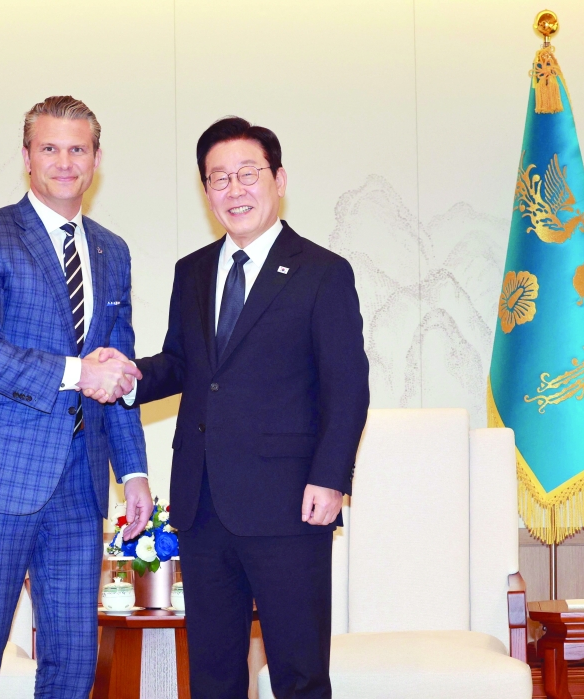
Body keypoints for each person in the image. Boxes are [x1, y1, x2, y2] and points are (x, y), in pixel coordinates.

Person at [100, 117, 370, 698]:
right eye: (218, 179)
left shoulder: (322, 273)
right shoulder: (192, 271)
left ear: (279, 179)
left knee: (298, 673)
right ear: (206, 192)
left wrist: (330, 479)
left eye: (248, 174)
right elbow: (180, 363)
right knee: (214, 675)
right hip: (202, 506)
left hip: (290, 504)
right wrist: (125, 378)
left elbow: (348, 386)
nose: (234, 190)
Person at [0, 95, 151, 699]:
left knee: (73, 665)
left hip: (80, 488)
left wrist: (132, 472)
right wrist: (76, 372)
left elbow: (119, 371)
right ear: (27, 156)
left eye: (77, 148)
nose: (63, 161)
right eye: (49, 147)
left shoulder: (114, 250)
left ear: (96, 158)